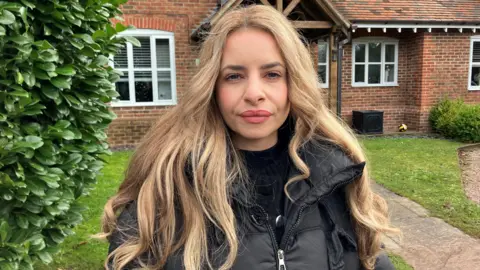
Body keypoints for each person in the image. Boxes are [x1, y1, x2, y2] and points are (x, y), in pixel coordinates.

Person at [101, 4, 400, 270]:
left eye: (272, 74)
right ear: (212, 87)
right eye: (234, 76)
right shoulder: (170, 184)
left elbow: (371, 257)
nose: (254, 94)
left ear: (292, 83)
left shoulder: (334, 174)